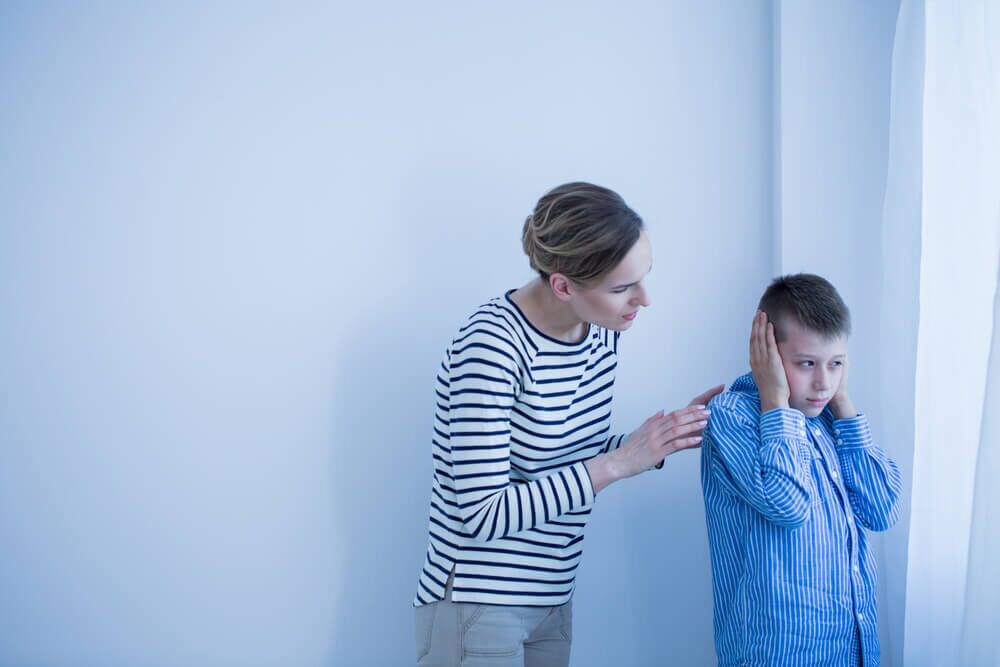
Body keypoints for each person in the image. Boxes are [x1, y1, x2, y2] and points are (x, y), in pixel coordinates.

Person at [412, 182, 722, 666]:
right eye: (622, 288)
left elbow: (565, 454)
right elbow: (483, 512)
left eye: (643, 277)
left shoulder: (601, 333)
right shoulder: (491, 346)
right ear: (563, 285)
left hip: (552, 597)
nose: (644, 299)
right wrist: (620, 462)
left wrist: (657, 442)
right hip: (479, 601)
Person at [701, 273, 902, 666]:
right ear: (767, 354)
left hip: (850, 649)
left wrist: (842, 405)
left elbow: (882, 510)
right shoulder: (732, 416)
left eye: (836, 364)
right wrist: (774, 397)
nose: (823, 381)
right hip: (778, 654)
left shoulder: (831, 420)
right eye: (807, 363)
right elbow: (787, 504)